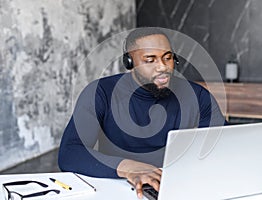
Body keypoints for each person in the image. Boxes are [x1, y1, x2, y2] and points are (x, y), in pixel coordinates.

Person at [58, 27, 226, 199]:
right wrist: (129, 168)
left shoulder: (197, 95)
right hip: (119, 187)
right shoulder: (100, 92)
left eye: (167, 58)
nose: (163, 67)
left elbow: (222, 146)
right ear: (130, 63)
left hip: (178, 187)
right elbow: (70, 153)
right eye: (150, 60)